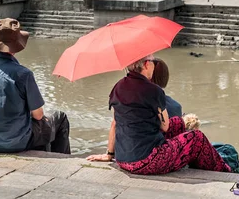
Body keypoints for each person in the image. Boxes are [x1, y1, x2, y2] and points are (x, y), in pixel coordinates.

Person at [86, 55, 229, 175]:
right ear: (147, 65)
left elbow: (115, 124)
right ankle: (224, 171)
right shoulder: (153, 90)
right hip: (147, 160)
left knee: (178, 124)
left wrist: (109, 155)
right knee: (197, 138)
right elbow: (165, 126)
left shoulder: (118, 87)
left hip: (123, 160)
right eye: (153, 63)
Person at [0, 19, 71, 154]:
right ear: (15, 47)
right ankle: (62, 159)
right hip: (15, 142)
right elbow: (38, 115)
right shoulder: (23, 74)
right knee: (59, 117)